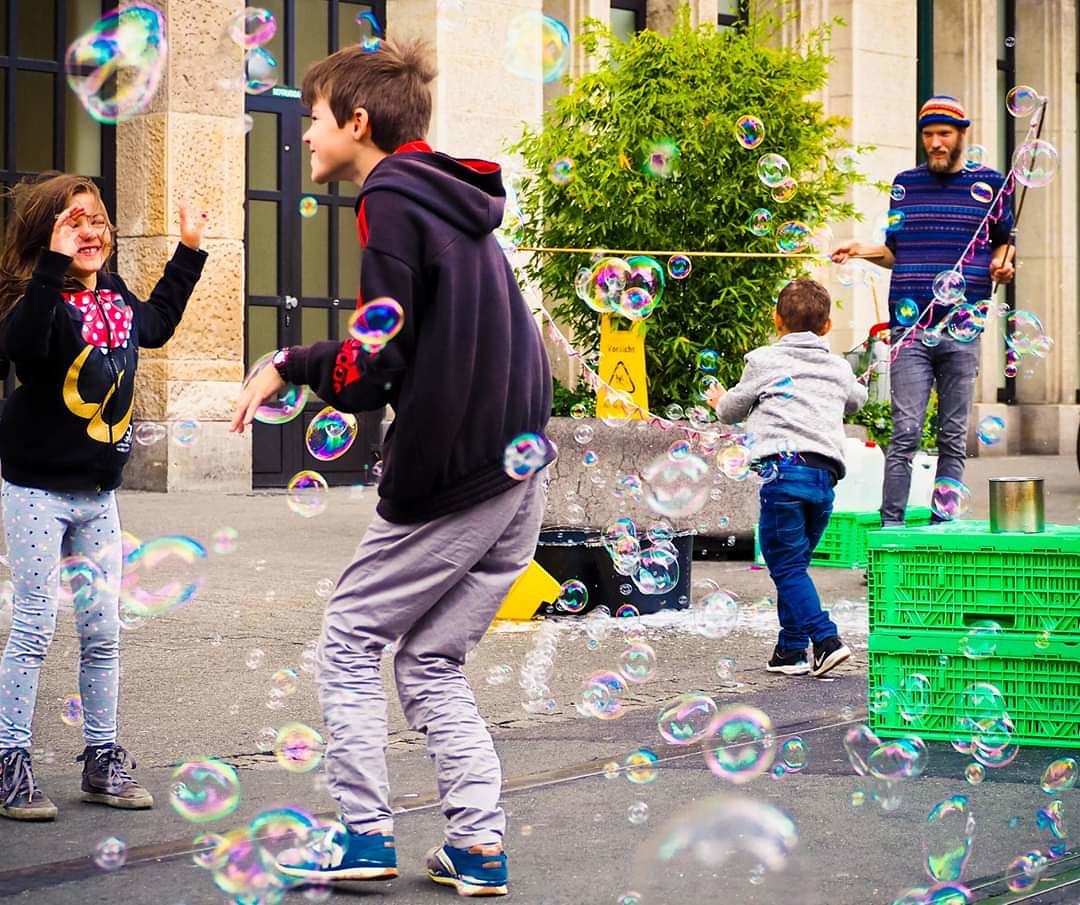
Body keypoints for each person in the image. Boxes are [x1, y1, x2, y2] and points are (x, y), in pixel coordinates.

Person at [231, 37, 551, 898]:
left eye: (313, 117)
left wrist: (293, 362)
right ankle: (477, 845)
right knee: (429, 661)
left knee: (349, 635)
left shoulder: (392, 197)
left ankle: (363, 835)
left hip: (457, 472)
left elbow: (377, 360)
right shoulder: (452, 199)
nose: (304, 134)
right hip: (518, 468)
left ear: (358, 122)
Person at [0, 172, 207, 820]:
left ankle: (101, 758)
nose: (89, 231)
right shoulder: (36, 300)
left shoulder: (113, 295)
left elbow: (158, 324)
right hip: (37, 488)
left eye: (96, 220)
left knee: (102, 631)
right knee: (34, 627)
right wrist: (50, 267)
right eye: (72, 222)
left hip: (97, 494)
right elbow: (24, 348)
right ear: (47, 236)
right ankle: (9, 761)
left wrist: (189, 250)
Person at [831, 96, 1015, 526]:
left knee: (953, 435)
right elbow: (895, 253)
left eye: (943, 134)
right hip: (910, 328)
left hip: (963, 325)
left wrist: (1003, 265)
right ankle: (891, 529)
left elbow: (1004, 243)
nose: (935, 142)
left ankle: (941, 530)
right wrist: (860, 250)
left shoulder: (992, 184)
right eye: (928, 134)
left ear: (962, 135)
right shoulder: (906, 184)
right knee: (905, 433)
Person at [708, 279, 866, 678]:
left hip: (784, 476)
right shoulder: (838, 367)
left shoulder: (764, 360)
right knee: (795, 564)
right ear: (827, 326)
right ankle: (791, 650)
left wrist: (718, 399)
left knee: (786, 566)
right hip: (823, 479)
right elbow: (856, 401)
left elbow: (730, 411)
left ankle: (826, 640)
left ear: (776, 320)